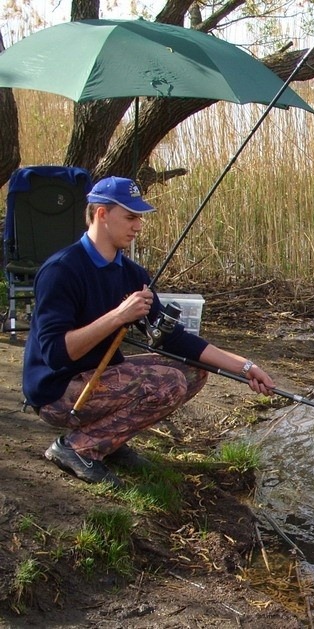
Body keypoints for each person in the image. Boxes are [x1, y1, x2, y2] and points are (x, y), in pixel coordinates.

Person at [22, 176, 275, 488]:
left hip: (99, 380)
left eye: (139, 217)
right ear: (102, 214)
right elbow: (57, 353)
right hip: (58, 392)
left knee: (195, 371)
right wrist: (118, 316)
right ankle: (76, 447)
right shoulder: (61, 270)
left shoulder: (132, 274)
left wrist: (246, 366)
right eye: (130, 217)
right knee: (168, 383)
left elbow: (174, 338)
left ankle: (107, 441)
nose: (138, 226)